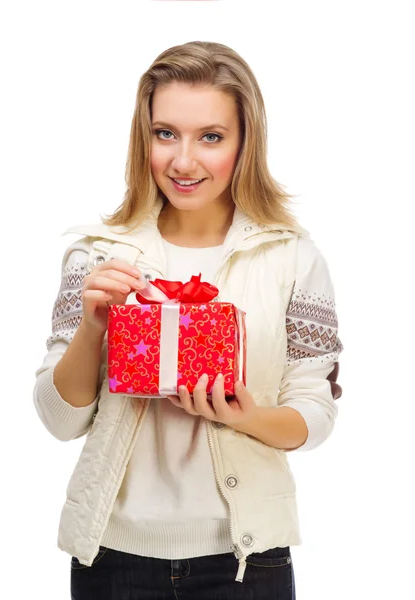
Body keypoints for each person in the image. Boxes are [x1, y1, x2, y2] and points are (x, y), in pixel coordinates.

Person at [33, 41, 343, 599]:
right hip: (111, 558)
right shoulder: (97, 255)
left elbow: (315, 413)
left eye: (212, 137)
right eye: (165, 133)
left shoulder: (292, 257)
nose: (183, 161)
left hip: (247, 559)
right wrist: (93, 325)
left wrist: (249, 417)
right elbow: (59, 422)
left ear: (245, 142)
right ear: (143, 137)